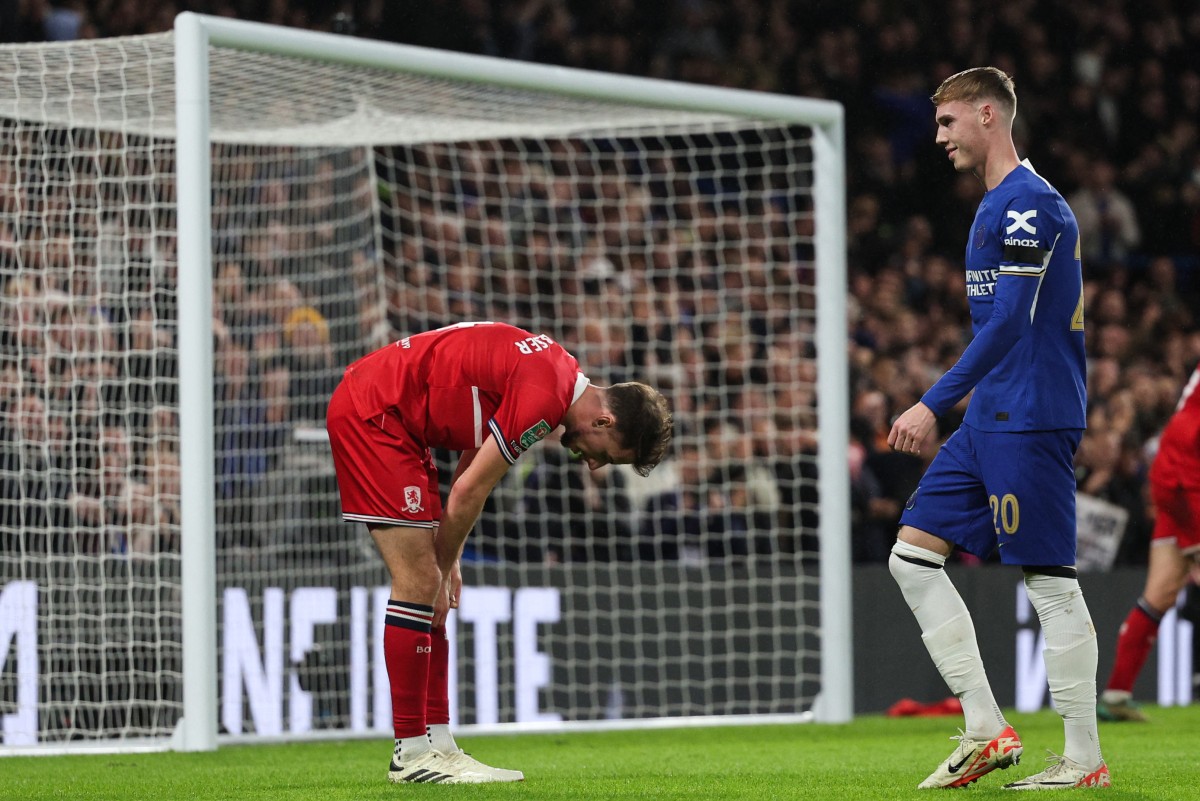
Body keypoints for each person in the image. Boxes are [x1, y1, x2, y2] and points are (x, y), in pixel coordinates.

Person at [886, 68, 1110, 790]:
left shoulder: (1027, 206)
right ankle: (985, 726)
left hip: (1031, 414)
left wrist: (931, 402)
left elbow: (1011, 321)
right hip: (991, 415)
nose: (940, 136)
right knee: (911, 556)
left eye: (949, 122)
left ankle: (1083, 759)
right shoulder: (996, 205)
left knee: (1048, 581)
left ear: (988, 114)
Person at [325, 320, 672, 784]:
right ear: (604, 421)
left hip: (398, 421)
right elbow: (468, 490)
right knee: (421, 581)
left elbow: (476, 454)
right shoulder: (546, 395)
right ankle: (410, 754)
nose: (592, 464)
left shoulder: (556, 372)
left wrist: (452, 560)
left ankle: (438, 744)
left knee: (433, 587)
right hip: (377, 414)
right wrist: (444, 567)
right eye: (604, 455)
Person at [1098, 362, 1200, 721]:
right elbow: (1188, 441)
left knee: (1160, 595)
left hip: (1175, 480)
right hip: (1186, 484)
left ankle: (1116, 694)